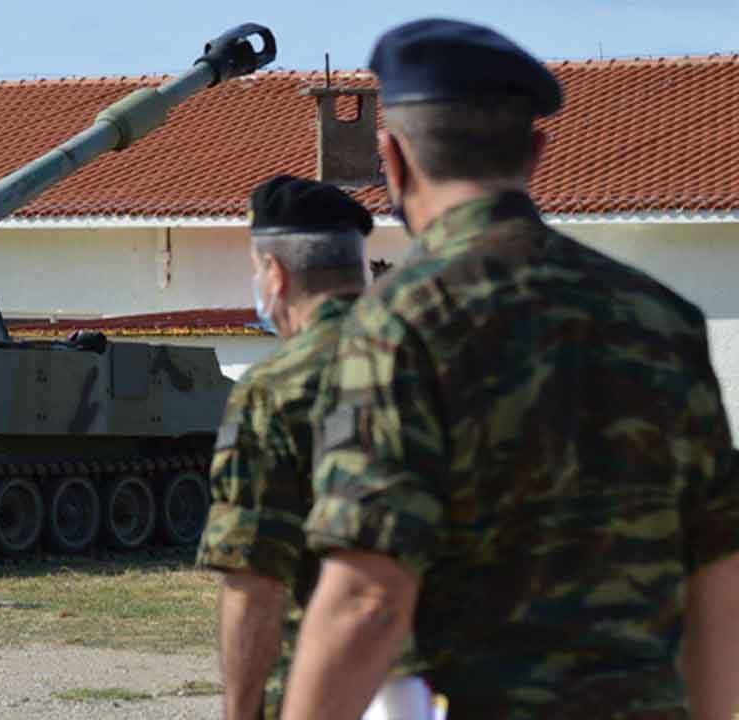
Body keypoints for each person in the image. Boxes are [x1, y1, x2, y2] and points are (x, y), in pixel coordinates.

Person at [282, 18, 739, 720]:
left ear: (391, 160)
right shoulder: (664, 319)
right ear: (536, 152)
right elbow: (717, 575)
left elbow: (369, 598)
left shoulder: (401, 322)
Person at [197, 175, 371, 720]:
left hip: (324, 690)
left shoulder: (276, 389)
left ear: (275, 274)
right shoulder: (444, 359)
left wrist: (241, 711)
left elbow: (255, 581)